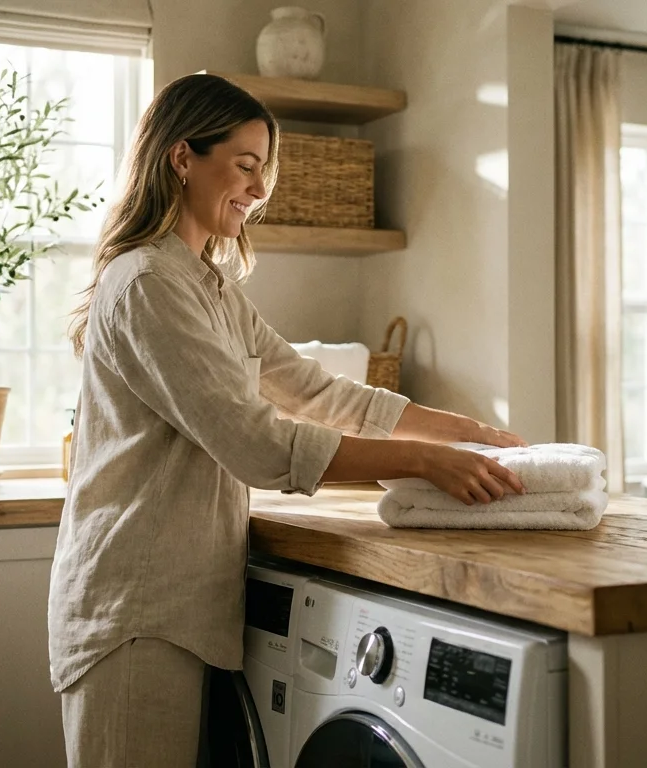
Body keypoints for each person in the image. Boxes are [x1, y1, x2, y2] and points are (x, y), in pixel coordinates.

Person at [51, 72, 528, 767]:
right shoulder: (150, 283)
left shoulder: (205, 282)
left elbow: (313, 390)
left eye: (264, 171)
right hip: (134, 611)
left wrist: (464, 432)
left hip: (178, 606)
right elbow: (258, 443)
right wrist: (423, 461)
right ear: (182, 157)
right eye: (245, 166)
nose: (260, 188)